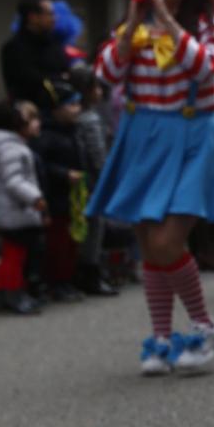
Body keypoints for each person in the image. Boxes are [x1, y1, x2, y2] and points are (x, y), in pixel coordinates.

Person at [86, 0, 214, 375]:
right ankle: (161, 337)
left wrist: (165, 19)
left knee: (167, 241)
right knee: (146, 243)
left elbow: (209, 68)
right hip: (142, 135)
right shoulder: (133, 25)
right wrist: (136, 19)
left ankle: (204, 325)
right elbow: (106, 74)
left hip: (193, 134)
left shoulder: (205, 24)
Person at [0, 101, 48, 315]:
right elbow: (14, 181)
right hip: (14, 210)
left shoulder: (6, 145)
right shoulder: (10, 148)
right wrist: (35, 198)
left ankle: (5, 293)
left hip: (10, 210)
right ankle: (12, 294)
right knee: (14, 256)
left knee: (15, 254)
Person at [34, 79, 87, 303]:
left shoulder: (73, 131)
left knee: (71, 241)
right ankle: (56, 282)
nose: (77, 109)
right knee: (57, 243)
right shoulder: (46, 136)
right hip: (55, 196)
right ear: (56, 109)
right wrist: (64, 173)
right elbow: (42, 165)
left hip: (72, 195)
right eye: (71, 105)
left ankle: (67, 279)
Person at [68, 66, 118, 296]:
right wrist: (108, 178)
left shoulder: (76, 117)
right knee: (94, 228)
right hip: (93, 182)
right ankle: (91, 272)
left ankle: (85, 271)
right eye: (95, 87)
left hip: (81, 180)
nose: (99, 91)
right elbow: (98, 156)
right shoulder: (90, 119)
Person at [1, 0, 70, 108]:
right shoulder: (14, 47)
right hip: (31, 113)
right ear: (33, 17)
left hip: (61, 110)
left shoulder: (54, 44)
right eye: (50, 14)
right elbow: (28, 80)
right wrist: (60, 78)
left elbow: (65, 71)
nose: (55, 18)